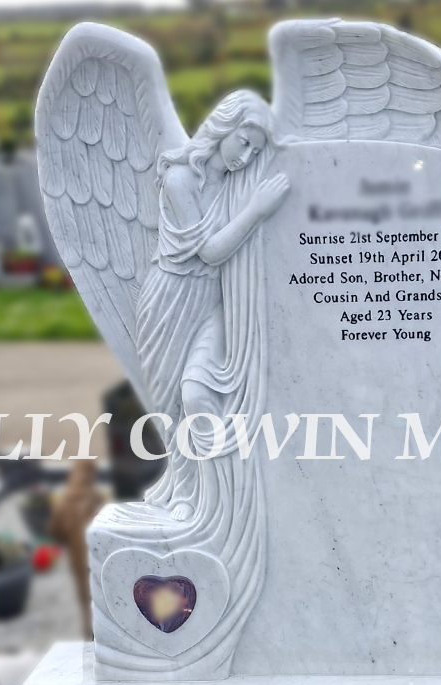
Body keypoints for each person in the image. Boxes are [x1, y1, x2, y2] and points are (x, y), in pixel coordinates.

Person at [136, 90, 289, 520]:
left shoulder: (236, 180)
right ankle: (186, 493)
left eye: (255, 149)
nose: (246, 155)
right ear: (224, 126)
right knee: (171, 405)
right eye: (244, 141)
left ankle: (218, 498)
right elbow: (210, 252)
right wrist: (257, 211)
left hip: (215, 301)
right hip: (171, 298)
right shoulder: (181, 178)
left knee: (199, 393)